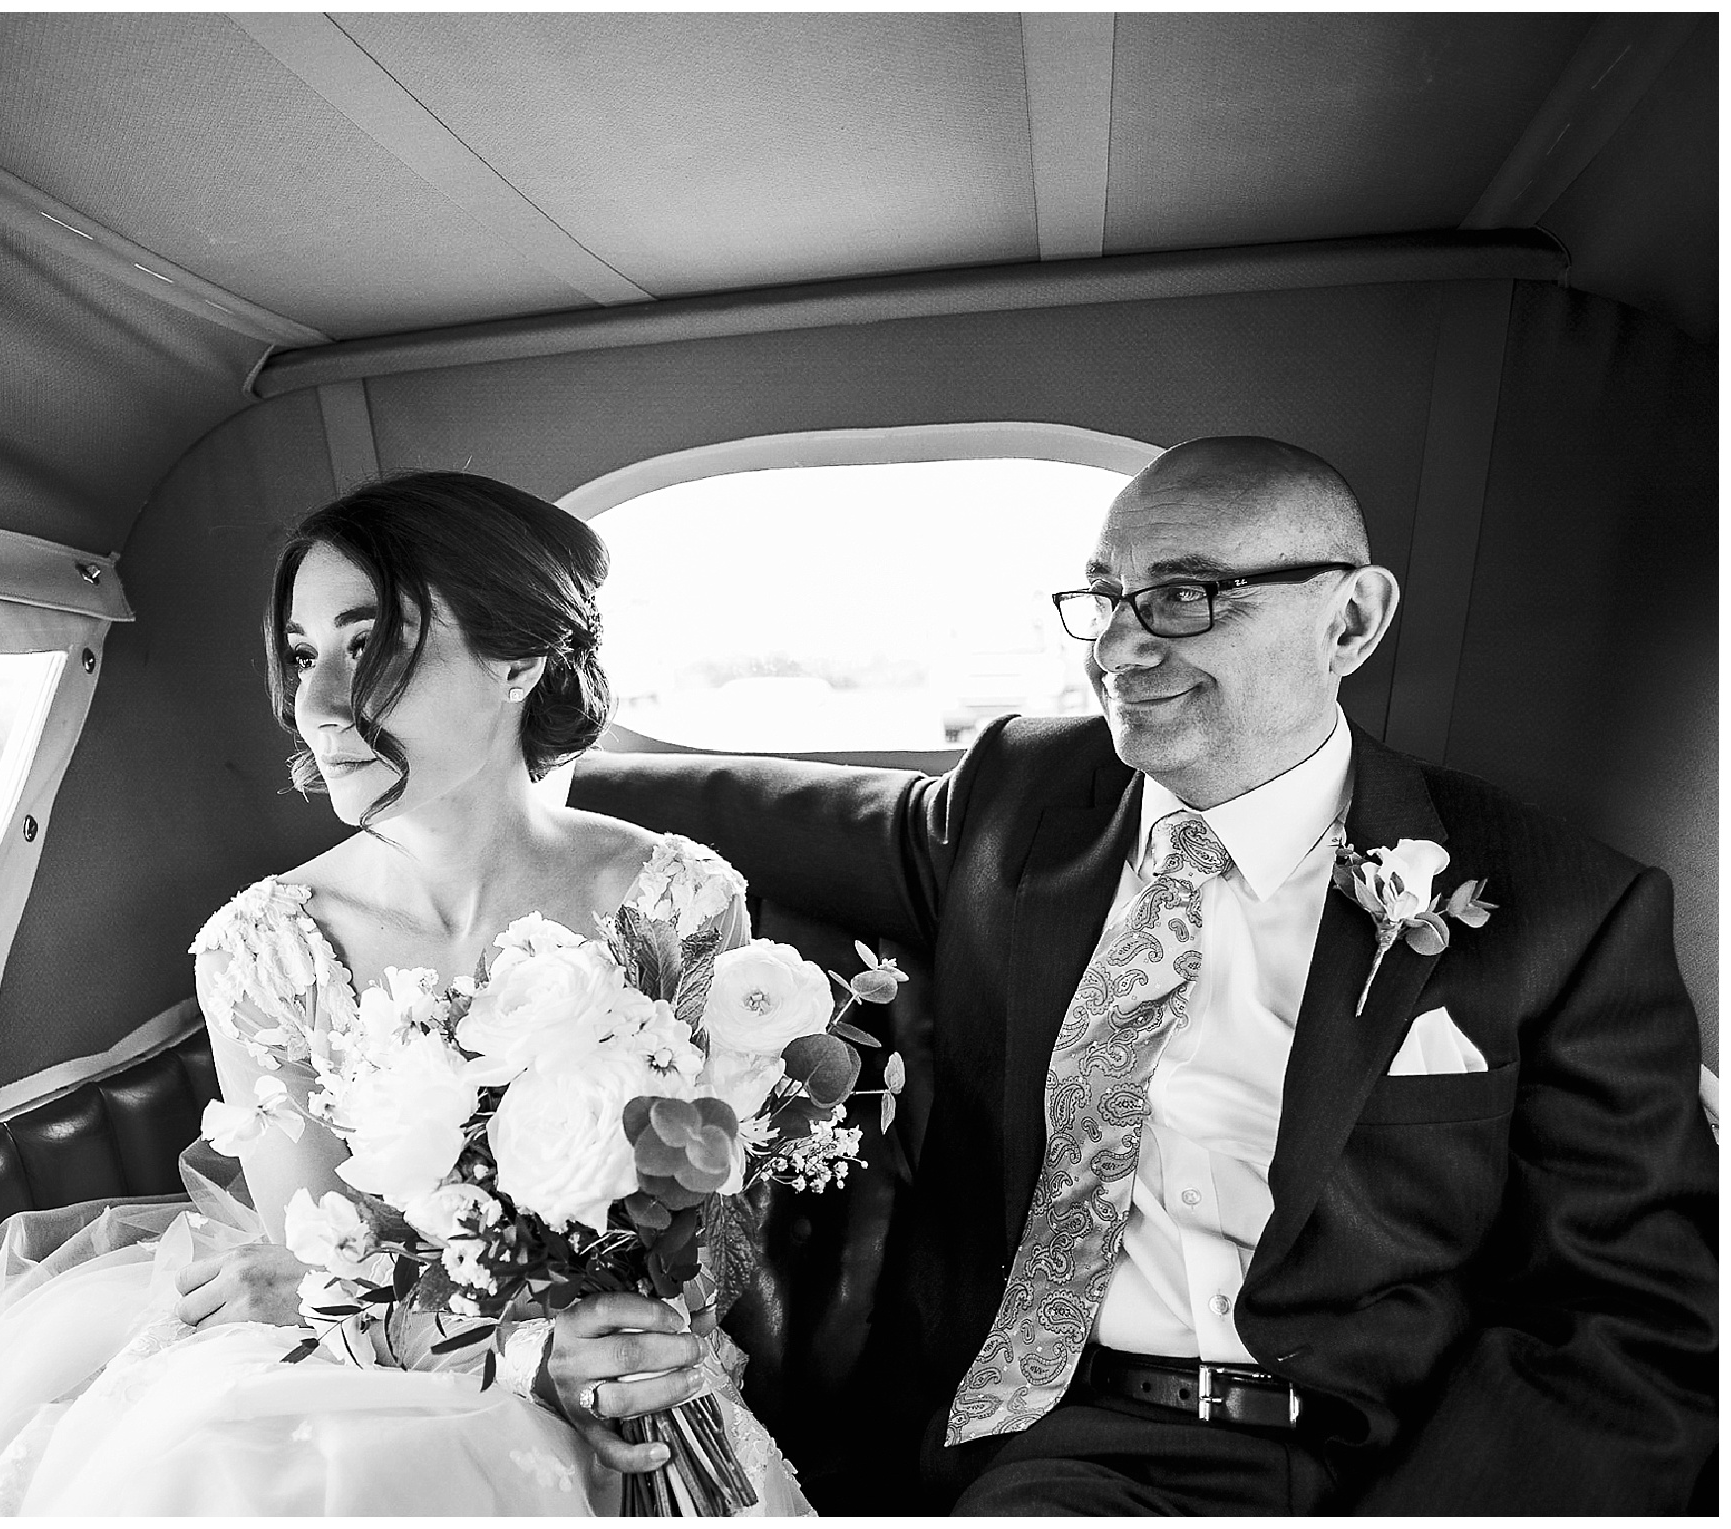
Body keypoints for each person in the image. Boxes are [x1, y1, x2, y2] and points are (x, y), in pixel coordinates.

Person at [572, 436, 1717, 1514]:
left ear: (1351, 620)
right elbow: (750, 810)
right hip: (1035, 1436)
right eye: (1104, 597)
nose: (1117, 646)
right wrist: (520, 762)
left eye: (1182, 596)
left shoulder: (1564, 906)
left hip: (1390, 1455)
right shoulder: (1022, 802)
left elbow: (1637, 1319)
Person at [0, 471, 812, 1515]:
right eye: (300, 650)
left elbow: (718, 1221)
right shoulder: (266, 947)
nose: (314, 701)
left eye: (367, 644)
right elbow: (316, 1268)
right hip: (379, 1372)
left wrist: (623, 1339)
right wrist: (521, 1352)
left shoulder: (676, 902)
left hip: (639, 1361)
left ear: (517, 662)